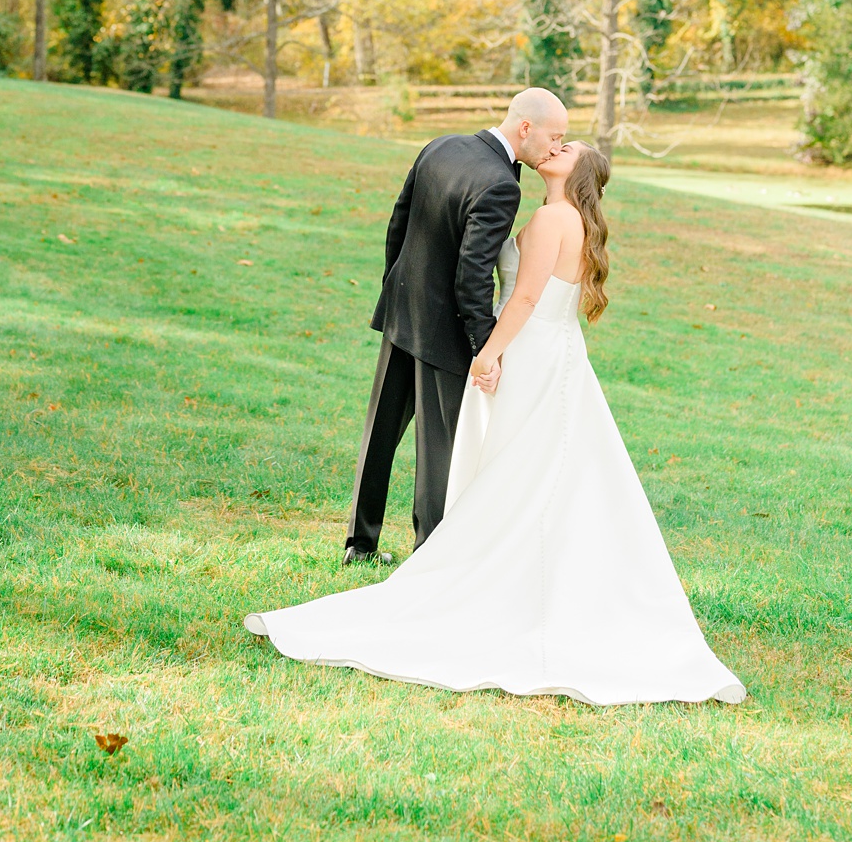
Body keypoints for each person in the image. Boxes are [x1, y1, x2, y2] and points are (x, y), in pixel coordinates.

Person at [248, 140, 745, 705]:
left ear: (579, 170)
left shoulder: (554, 217)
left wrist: (489, 352)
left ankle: (504, 575)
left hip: (533, 352)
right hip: (553, 353)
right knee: (532, 466)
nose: (556, 147)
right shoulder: (568, 217)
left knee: (520, 465)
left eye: (568, 147)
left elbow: (528, 295)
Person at [343, 88, 564, 564]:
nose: (555, 147)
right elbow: (472, 276)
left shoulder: (441, 145)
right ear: (526, 127)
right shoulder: (503, 185)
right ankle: (428, 556)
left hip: (403, 311)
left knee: (378, 433)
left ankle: (359, 545)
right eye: (554, 135)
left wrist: (395, 286)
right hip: (444, 331)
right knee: (439, 449)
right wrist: (484, 346)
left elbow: (397, 223)